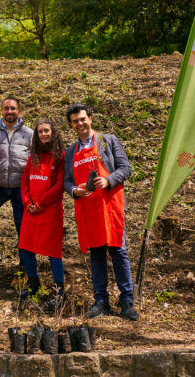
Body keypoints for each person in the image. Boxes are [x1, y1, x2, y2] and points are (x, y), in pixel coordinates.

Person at [63, 103, 139, 321]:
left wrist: (108, 180)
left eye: (82, 119)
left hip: (111, 206)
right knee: (96, 255)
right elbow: (66, 181)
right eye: (75, 121)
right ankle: (101, 302)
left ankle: (126, 301)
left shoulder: (108, 141)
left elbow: (126, 168)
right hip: (88, 208)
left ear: (90, 119)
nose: (80, 123)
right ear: (71, 125)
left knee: (118, 252)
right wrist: (74, 190)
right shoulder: (71, 151)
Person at [18, 118, 66, 311]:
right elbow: (24, 184)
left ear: (53, 133)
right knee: (25, 247)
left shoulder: (61, 156)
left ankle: (59, 290)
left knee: (53, 252)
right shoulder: (34, 156)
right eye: (40, 132)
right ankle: (34, 284)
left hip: (50, 211)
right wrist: (28, 203)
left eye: (47, 131)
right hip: (31, 211)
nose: (44, 134)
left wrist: (40, 203)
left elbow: (59, 185)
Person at [0, 97, 33, 243]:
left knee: (22, 224)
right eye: (6, 109)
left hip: (20, 187)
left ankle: (24, 262)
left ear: (18, 111)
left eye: (13, 108)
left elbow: (35, 159)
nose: (9, 111)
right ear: (1, 111)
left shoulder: (29, 133)